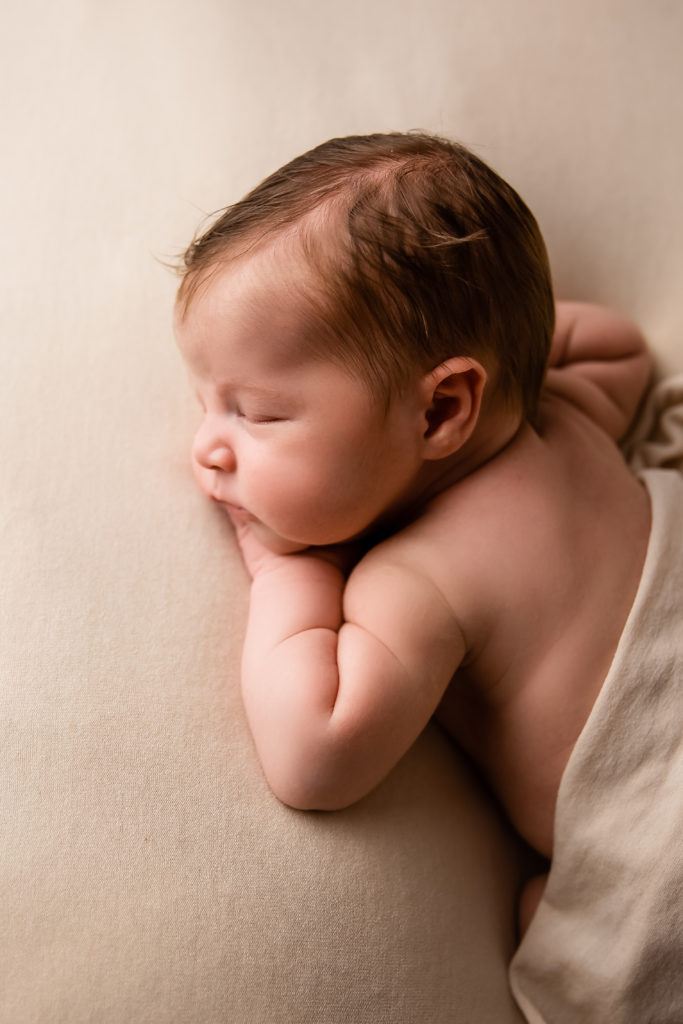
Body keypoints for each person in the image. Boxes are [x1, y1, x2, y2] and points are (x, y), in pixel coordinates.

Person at [173, 132, 660, 938]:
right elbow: (619, 345)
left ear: (440, 411)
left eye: (256, 413)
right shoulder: (571, 420)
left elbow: (315, 757)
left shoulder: (423, 580)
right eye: (204, 401)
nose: (208, 447)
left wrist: (286, 571)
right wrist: (505, 333)